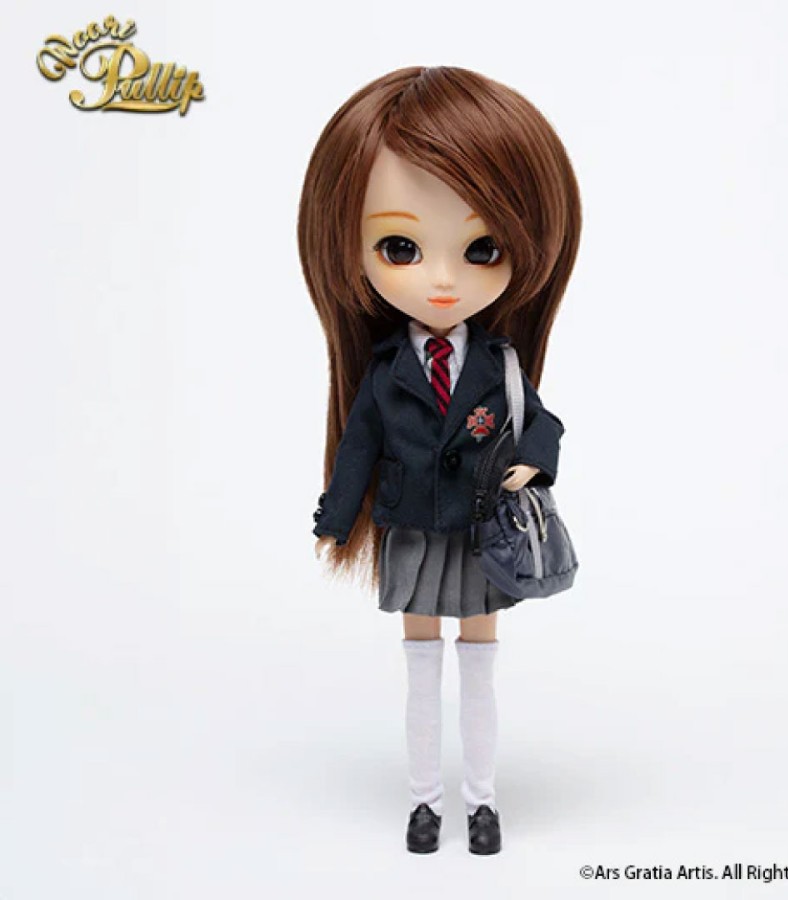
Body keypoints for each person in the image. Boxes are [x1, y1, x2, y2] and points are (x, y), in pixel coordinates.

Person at [297, 66, 581, 854]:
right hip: (414, 530)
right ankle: (425, 803)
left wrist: (534, 464)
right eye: (402, 247)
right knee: (421, 667)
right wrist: (335, 516)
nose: (445, 280)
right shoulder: (387, 371)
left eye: (483, 248)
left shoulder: (500, 365)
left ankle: (482, 803)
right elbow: (358, 446)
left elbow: (544, 423)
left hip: (483, 533)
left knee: (479, 667)